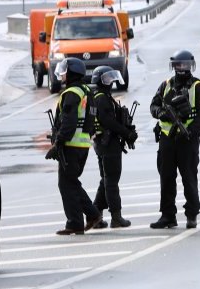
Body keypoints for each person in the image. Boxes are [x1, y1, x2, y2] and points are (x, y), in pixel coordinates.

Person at [148, 50, 200, 229]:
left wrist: (189, 131)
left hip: (187, 140)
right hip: (167, 139)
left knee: (189, 177)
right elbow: (153, 105)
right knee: (166, 177)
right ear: (174, 66)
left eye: (185, 65)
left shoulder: (197, 87)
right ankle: (168, 216)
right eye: (178, 65)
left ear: (191, 66)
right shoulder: (165, 85)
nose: (182, 68)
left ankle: (191, 215)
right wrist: (161, 113)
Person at [46, 58, 101, 234]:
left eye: (64, 71)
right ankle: (82, 220)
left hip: (70, 145)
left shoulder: (71, 93)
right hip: (82, 145)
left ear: (71, 73)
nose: (61, 75)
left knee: (67, 184)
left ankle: (84, 218)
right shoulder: (86, 91)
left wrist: (58, 143)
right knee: (70, 183)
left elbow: (68, 122)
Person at [88, 65, 138, 229]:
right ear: (100, 80)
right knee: (111, 181)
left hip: (103, 143)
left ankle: (95, 215)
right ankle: (116, 217)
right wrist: (126, 132)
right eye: (107, 78)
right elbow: (108, 121)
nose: (111, 81)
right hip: (108, 144)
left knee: (106, 180)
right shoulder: (102, 98)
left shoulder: (100, 96)